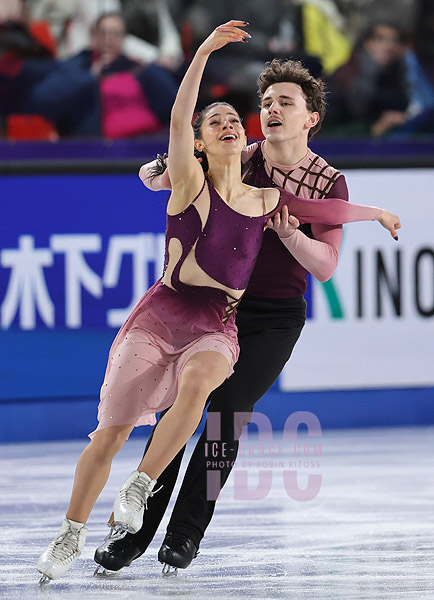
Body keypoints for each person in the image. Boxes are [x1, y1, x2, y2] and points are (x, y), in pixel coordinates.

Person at [37, 20, 400, 583]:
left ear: (312, 118)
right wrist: (158, 169)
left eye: (285, 101)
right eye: (267, 100)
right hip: (218, 310)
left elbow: (326, 267)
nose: (272, 108)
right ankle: (134, 534)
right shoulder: (239, 156)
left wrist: (291, 235)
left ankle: (185, 534)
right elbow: (166, 173)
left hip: (275, 317)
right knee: (183, 408)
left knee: (224, 420)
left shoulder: (330, 182)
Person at [26, 12, 178, 137]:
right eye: (103, 33)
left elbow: (174, 102)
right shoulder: (77, 66)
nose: (108, 39)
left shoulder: (138, 67)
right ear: (93, 36)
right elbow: (43, 99)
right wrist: (90, 76)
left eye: (115, 34)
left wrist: (149, 67)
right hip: (96, 150)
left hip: (150, 140)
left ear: (124, 39)